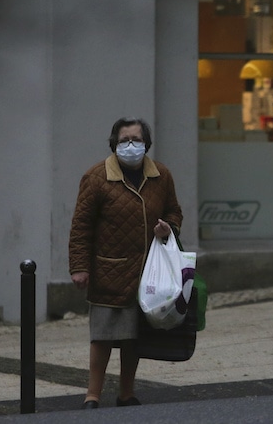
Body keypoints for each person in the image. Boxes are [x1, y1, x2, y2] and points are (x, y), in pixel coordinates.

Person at [69, 117, 183, 409]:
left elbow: (174, 212)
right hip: (109, 268)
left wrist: (168, 227)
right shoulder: (96, 177)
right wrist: (79, 267)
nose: (130, 145)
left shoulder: (161, 176)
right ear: (114, 143)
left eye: (136, 139)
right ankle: (92, 395)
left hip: (147, 272)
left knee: (134, 337)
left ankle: (126, 393)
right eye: (124, 140)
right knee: (103, 336)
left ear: (146, 143)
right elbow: (81, 226)